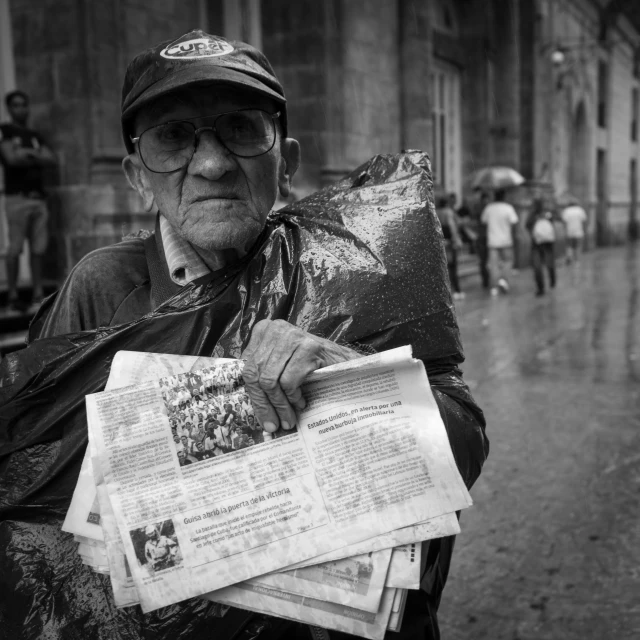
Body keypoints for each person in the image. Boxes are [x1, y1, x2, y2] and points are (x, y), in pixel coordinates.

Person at [10, 30, 488, 640]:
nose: (210, 164)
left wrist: (345, 371)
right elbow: (33, 500)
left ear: (284, 160)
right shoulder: (102, 289)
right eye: (173, 137)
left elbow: (460, 448)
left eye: (240, 128)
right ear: (137, 174)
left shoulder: (356, 268)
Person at [0, 90, 57, 309]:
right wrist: (35, 155)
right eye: (16, 105)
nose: (21, 109)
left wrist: (26, 153)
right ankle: (13, 295)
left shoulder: (35, 135)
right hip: (17, 199)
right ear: (9, 108)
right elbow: (11, 159)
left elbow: (51, 159)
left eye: (24, 105)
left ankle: (37, 293)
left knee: (38, 249)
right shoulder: (5, 131)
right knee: (14, 249)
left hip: (38, 198)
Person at [481, 188, 519, 296]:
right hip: (506, 241)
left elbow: (483, 221)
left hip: (493, 241)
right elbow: (514, 223)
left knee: (493, 265)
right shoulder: (508, 208)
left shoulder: (489, 208)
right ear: (504, 196)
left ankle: (494, 287)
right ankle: (504, 280)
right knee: (507, 262)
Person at [436, 194, 464, 300]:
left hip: (440, 242)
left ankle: (446, 291)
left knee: (443, 267)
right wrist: (456, 240)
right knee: (453, 266)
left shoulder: (436, 212)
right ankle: (457, 290)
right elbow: (452, 226)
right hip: (450, 242)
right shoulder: (448, 212)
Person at [527, 198, 557, 297]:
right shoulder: (547, 213)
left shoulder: (533, 215)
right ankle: (550, 281)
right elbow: (552, 224)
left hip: (538, 244)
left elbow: (527, 225)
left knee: (538, 266)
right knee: (547, 264)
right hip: (546, 243)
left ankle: (541, 288)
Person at [561, 199, 587, 263]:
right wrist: (584, 230)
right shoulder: (580, 210)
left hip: (569, 232)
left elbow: (564, 222)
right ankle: (577, 260)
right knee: (578, 246)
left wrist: (564, 231)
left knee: (569, 245)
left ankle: (569, 257)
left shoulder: (566, 211)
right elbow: (584, 221)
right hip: (579, 232)